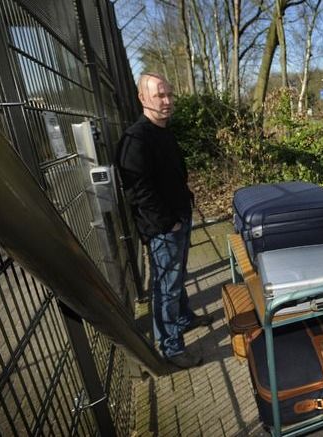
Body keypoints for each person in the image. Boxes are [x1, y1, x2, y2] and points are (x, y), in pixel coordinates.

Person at [117, 73, 212, 369]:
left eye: (169, 94)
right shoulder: (136, 138)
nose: (167, 101)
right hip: (163, 228)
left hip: (179, 218)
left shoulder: (164, 132)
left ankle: (184, 318)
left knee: (177, 276)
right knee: (166, 287)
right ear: (142, 98)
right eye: (159, 95)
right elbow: (137, 190)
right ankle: (171, 347)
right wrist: (166, 223)